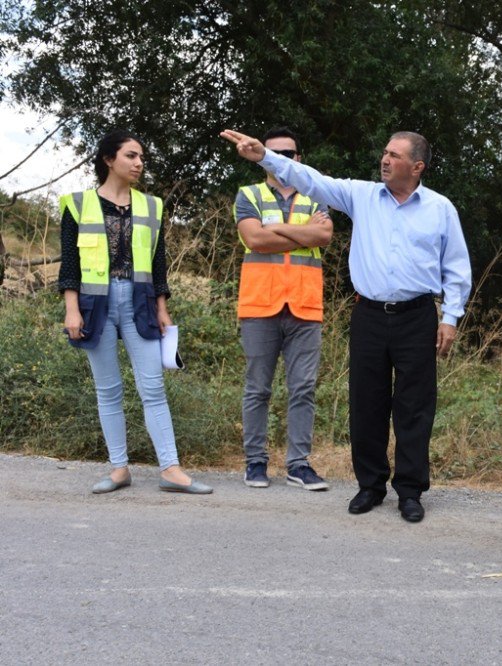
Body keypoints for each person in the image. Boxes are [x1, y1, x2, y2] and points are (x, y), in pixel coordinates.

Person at [221, 128, 471, 523]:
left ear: (417, 166)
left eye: (395, 155)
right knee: (367, 403)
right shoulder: (362, 195)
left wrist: (451, 318)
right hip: (370, 315)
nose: (385, 160)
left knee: (414, 407)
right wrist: (263, 158)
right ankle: (370, 486)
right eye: (384, 152)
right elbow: (311, 180)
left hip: (418, 316)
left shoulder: (440, 208)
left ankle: (410, 491)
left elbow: (457, 267)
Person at [58, 129, 212, 495]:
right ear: (109, 160)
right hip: (94, 304)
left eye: (141, 157)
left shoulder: (151, 206)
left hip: (139, 302)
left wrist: (162, 307)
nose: (139, 163)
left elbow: (159, 264)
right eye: (131, 156)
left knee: (153, 387)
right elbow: (70, 265)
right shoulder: (76, 204)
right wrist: (71, 310)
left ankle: (171, 470)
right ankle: (118, 469)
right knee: (108, 390)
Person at [234, 126, 333, 491]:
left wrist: (282, 234)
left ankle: (298, 464)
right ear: (262, 156)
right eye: (274, 153)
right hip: (260, 304)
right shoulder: (249, 195)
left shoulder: (314, 194)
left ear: (298, 159)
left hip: (305, 306)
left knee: (303, 388)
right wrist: (303, 231)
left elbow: (324, 236)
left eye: (289, 154)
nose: (283, 160)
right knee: (258, 388)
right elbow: (254, 239)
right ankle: (255, 463)